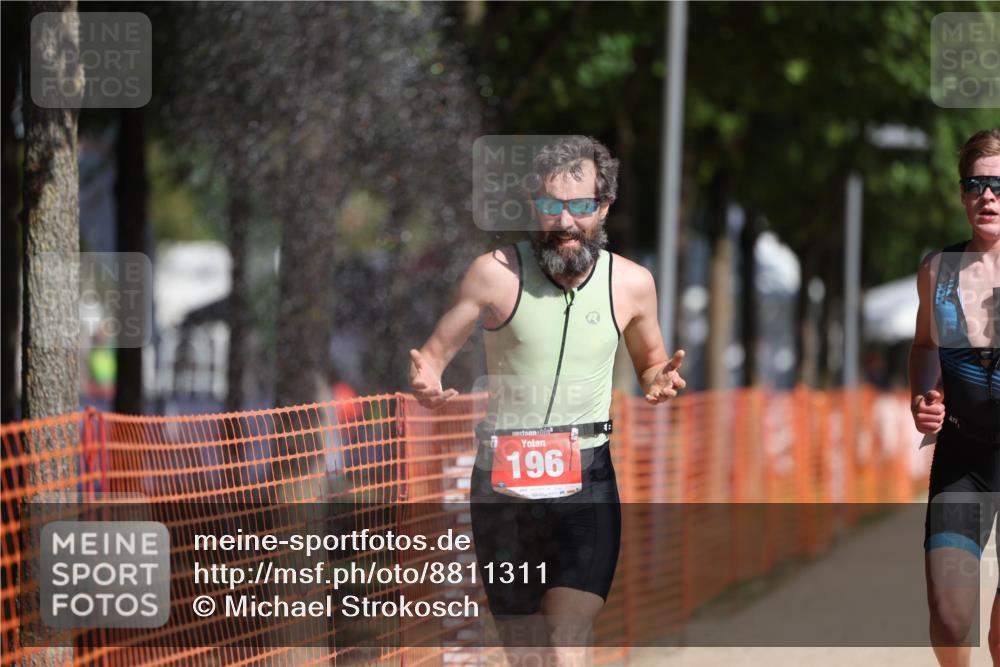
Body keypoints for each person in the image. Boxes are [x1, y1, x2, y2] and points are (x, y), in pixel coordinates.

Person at [409, 136, 686, 665]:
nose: (564, 220)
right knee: (525, 652)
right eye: (550, 204)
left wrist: (658, 380)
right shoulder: (495, 273)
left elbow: (651, 359)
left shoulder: (631, 284)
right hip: (503, 484)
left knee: (565, 643)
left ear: (603, 207)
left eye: (580, 206)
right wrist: (427, 376)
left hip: (587, 480)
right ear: (532, 204)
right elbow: (434, 352)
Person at [911, 127, 1000, 667]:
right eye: (977, 184)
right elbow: (924, 345)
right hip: (963, 457)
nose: (988, 196)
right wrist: (925, 394)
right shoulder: (937, 271)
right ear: (962, 192)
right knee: (949, 618)